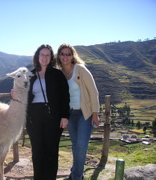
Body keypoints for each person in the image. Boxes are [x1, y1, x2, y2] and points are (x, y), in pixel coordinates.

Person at [56, 43, 100, 180]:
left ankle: (76, 177)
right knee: (75, 146)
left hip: (84, 114)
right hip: (70, 115)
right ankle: (75, 174)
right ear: (59, 56)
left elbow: (93, 91)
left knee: (81, 147)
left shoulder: (80, 69)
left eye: (68, 54)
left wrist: (95, 113)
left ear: (72, 55)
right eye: (62, 54)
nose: (65, 57)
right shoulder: (59, 73)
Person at [26, 44, 70, 180]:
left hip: (53, 116)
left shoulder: (57, 74)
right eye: (42, 54)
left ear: (51, 57)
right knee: (37, 150)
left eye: (47, 55)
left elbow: (65, 96)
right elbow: (24, 94)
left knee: (51, 150)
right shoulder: (30, 75)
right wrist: (15, 93)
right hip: (34, 116)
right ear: (37, 56)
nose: (44, 57)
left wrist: (64, 116)